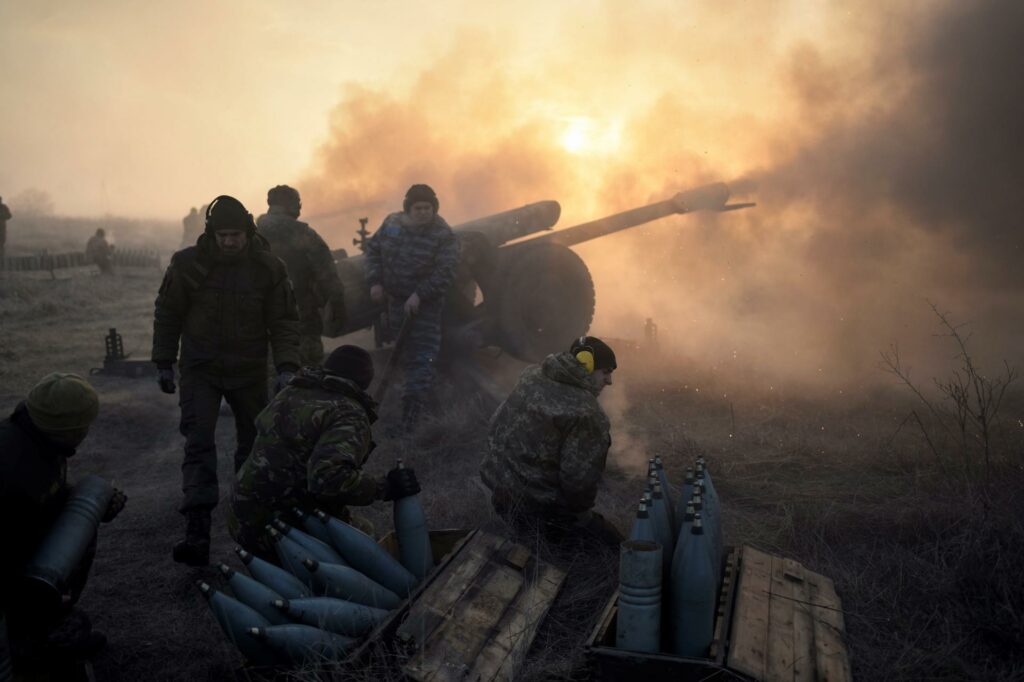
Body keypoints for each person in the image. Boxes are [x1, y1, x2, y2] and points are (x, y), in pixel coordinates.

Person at [152, 195, 300, 567]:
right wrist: (164, 362)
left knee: (253, 447)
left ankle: (251, 528)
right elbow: (168, 313)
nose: (229, 242)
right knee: (199, 442)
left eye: (236, 235)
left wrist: (286, 366)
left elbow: (283, 321)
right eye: (223, 236)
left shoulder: (269, 268)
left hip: (248, 370)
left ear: (248, 233)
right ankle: (197, 532)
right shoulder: (187, 264)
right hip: (200, 368)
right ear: (211, 234)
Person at [228, 345, 420, 558]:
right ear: (365, 381)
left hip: (241, 515)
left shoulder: (291, 392)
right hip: (278, 527)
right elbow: (328, 480)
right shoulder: (348, 412)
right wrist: (385, 487)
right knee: (366, 538)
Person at [0, 373, 127, 671]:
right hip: (7, 570)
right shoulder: (11, 466)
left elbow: (41, 498)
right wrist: (34, 598)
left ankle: (42, 624)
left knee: (82, 527)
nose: (86, 431)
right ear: (66, 428)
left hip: (19, 549)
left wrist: (96, 505)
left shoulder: (39, 437)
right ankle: (32, 639)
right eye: (82, 426)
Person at [480, 336, 623, 546]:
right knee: (614, 547)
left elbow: (495, 424)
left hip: (499, 491)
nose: (609, 381)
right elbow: (577, 485)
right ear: (586, 364)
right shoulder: (587, 412)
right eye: (606, 372)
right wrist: (580, 516)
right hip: (538, 508)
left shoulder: (532, 376)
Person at [364, 184, 459, 431]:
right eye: (418, 208)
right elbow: (372, 250)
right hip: (395, 304)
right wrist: (375, 281)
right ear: (409, 208)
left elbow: (444, 273)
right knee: (406, 358)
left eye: (428, 208)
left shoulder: (443, 234)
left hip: (424, 309)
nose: (423, 213)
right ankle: (416, 407)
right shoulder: (392, 223)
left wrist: (419, 294)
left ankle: (412, 423)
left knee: (421, 359)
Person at [257, 185, 347, 367]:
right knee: (307, 380)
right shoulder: (305, 235)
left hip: (261, 325)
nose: (299, 207)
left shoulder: (252, 237)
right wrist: (337, 305)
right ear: (289, 205)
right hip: (302, 323)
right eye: (297, 202)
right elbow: (327, 276)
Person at [0, 195, 10, 269]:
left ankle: (2, 260)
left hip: (2, 229)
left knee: (2, 243)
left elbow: (9, 216)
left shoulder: (4, 207)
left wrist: (2, 216)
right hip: (2, 228)